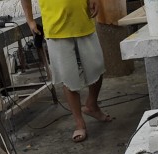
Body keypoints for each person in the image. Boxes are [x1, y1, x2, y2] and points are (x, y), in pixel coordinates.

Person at [20, 0, 113, 142]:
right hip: (56, 27)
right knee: (68, 77)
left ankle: (92, 105)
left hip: (83, 20)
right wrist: (30, 20)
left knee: (97, 66)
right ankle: (79, 123)